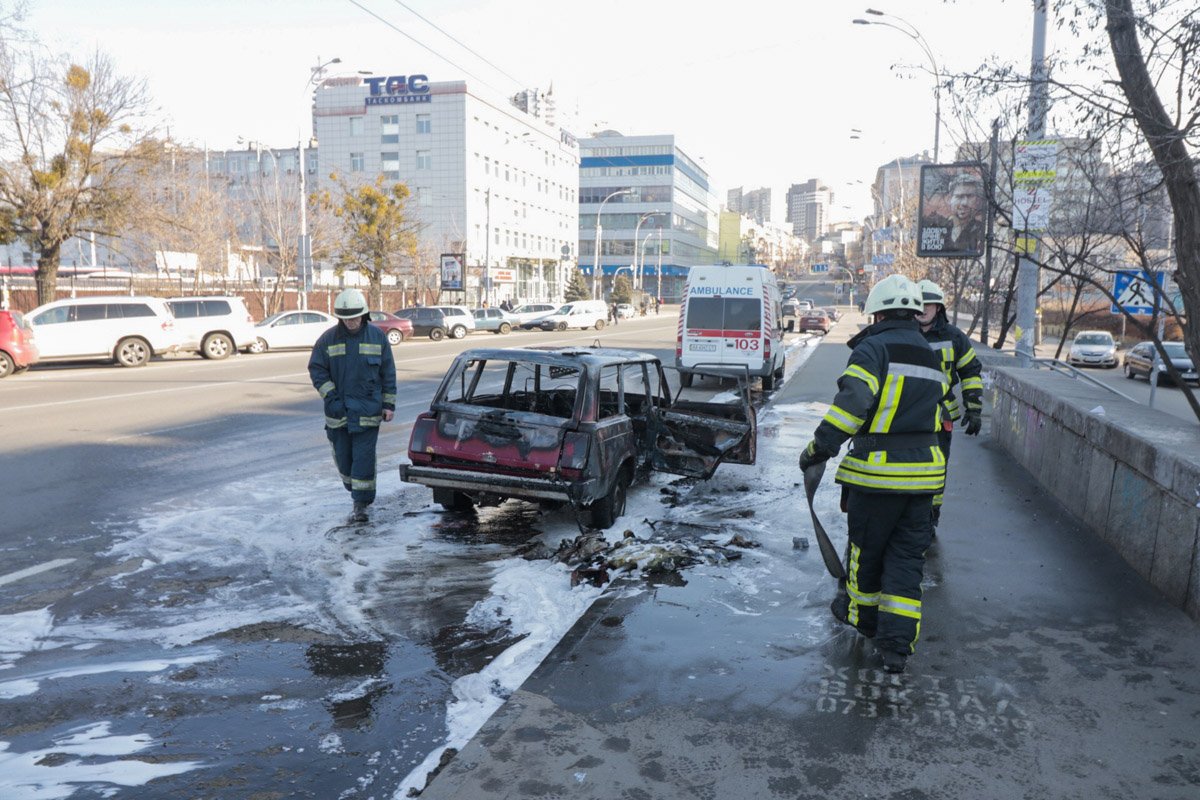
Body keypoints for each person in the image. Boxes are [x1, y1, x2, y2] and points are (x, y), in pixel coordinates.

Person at [798, 274, 949, 674]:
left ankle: (863, 622)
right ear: (916, 313)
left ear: (877, 312)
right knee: (905, 561)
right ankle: (897, 648)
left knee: (866, 555)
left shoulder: (873, 349)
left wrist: (818, 448)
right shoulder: (930, 354)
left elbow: (852, 406)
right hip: (925, 479)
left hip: (878, 477)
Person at [308, 288, 397, 523]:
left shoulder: (377, 338)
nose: (351, 322)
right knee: (344, 459)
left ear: (364, 315)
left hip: (368, 412)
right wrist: (331, 397)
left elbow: (388, 373)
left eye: (355, 317)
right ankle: (354, 490)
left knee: (363, 458)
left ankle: (361, 504)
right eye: (346, 318)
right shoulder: (327, 340)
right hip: (338, 413)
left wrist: (388, 404)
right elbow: (317, 370)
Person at [916, 279, 984, 530]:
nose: (923, 309)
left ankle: (931, 516)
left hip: (941, 416)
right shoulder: (902, 332)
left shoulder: (954, 337)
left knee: (936, 469)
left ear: (939, 308)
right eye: (919, 304)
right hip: (906, 414)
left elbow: (971, 373)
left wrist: (974, 408)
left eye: (929, 305)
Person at [922, 172, 985, 255]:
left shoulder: (982, 231)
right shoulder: (940, 229)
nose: (964, 202)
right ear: (949, 199)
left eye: (970, 196)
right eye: (959, 197)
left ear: (977, 200)